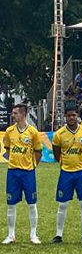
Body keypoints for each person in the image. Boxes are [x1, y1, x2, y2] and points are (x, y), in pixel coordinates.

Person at [50, 106, 82, 243]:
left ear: (77, 116)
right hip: (66, 173)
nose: (71, 118)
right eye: (69, 116)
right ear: (65, 116)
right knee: (62, 205)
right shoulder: (59, 134)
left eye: (74, 115)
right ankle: (59, 235)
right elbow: (57, 153)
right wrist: (64, 163)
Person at [2, 104, 43, 244]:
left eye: (15, 113)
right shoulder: (9, 131)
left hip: (28, 173)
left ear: (23, 114)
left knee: (32, 204)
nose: (13, 115)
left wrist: (32, 166)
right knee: (11, 204)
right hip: (13, 172)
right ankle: (11, 235)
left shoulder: (33, 132)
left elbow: (38, 152)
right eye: (13, 113)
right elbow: (7, 149)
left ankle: (33, 235)